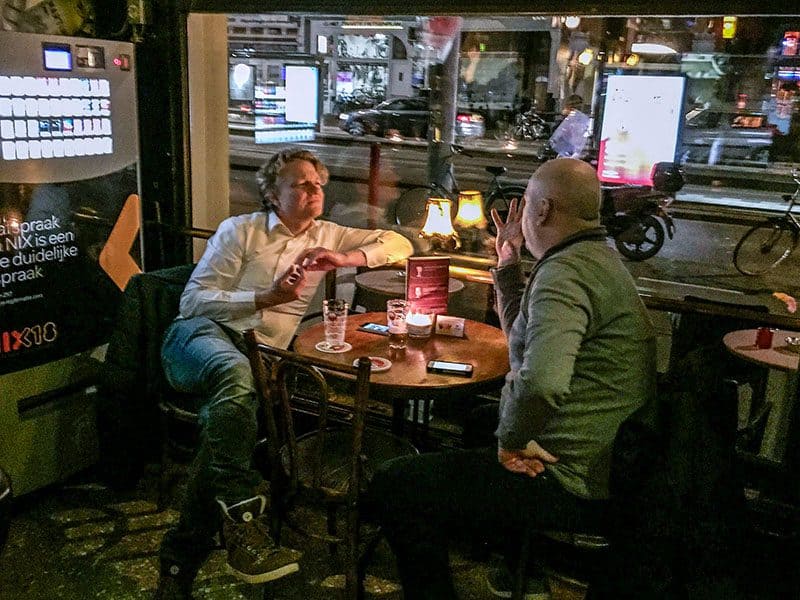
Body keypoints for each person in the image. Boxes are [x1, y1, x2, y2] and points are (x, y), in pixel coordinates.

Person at [369, 158, 657, 599]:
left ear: (542, 211)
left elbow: (541, 382)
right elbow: (523, 341)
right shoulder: (592, 257)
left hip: (572, 475)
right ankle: (514, 561)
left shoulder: (564, 273)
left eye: (525, 207)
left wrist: (511, 442)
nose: (521, 216)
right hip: (608, 454)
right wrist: (507, 265)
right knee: (480, 420)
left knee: (397, 483)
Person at [155, 149, 414, 599]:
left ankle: (179, 564)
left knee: (223, 430)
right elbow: (193, 302)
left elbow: (400, 244)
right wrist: (265, 297)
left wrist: (344, 258)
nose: (314, 191)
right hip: (200, 337)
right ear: (273, 194)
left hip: (261, 359)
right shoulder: (240, 230)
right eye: (301, 184)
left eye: (318, 183)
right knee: (234, 377)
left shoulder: (329, 234)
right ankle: (241, 514)